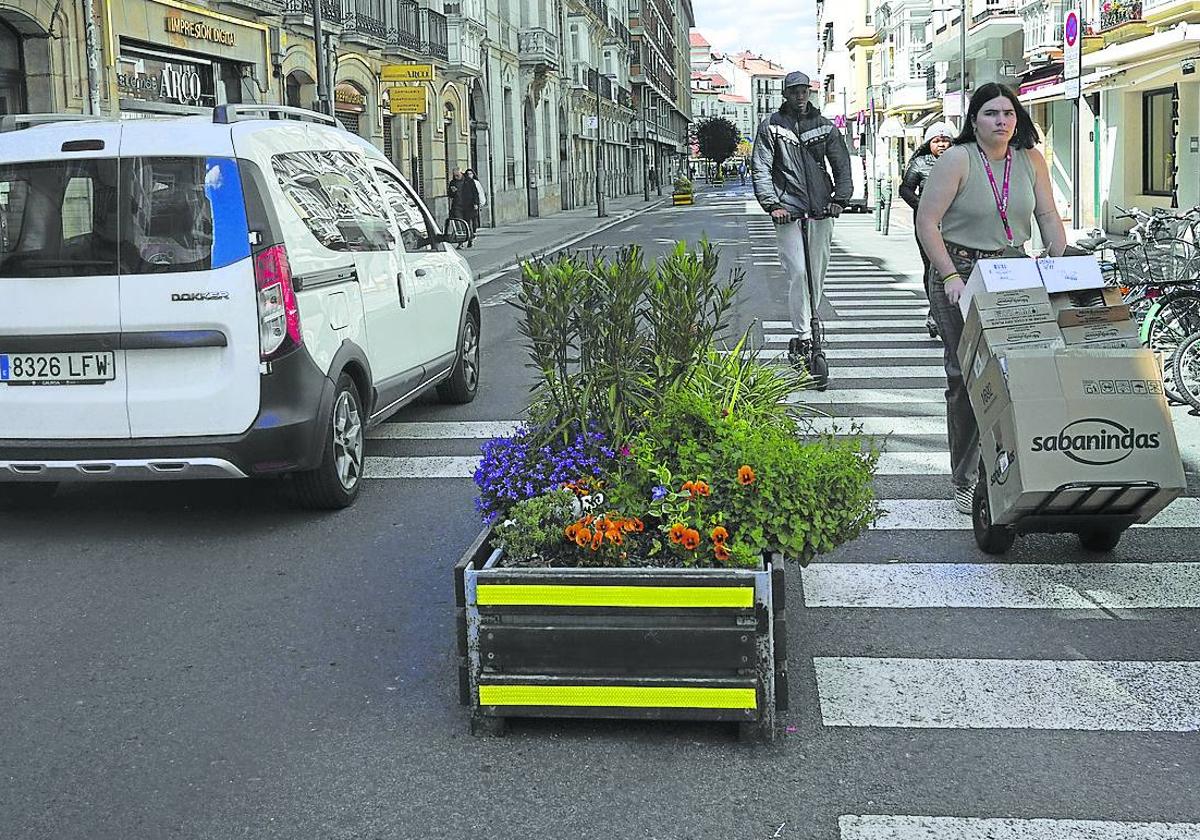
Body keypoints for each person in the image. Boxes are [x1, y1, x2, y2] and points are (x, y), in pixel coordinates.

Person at [916, 82, 1067, 514]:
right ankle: (965, 477)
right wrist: (947, 275)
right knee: (966, 375)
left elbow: (1047, 215)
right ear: (974, 120)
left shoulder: (1030, 160)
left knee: (1017, 373)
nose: (1001, 120)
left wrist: (1062, 264)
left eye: (1008, 113)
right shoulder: (957, 159)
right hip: (962, 270)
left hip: (1013, 268)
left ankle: (1015, 466)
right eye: (991, 113)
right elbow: (928, 223)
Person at [751, 69, 853, 376]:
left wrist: (840, 199)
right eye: (793, 91)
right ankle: (804, 331)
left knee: (816, 272)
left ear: (809, 92)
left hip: (821, 207)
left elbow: (841, 163)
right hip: (788, 208)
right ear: (785, 93)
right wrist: (772, 205)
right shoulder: (771, 126)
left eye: (803, 90)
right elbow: (761, 168)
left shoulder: (824, 126)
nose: (799, 95)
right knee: (797, 270)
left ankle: (811, 322)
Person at [899, 121, 955, 338]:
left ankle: (948, 311)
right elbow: (905, 189)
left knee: (953, 268)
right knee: (933, 268)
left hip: (955, 224)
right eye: (937, 141)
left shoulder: (960, 160)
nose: (942, 144)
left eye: (946, 140)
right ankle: (935, 312)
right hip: (928, 225)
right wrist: (923, 208)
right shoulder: (920, 164)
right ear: (928, 143)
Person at [447, 167, 478, 248]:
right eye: (454, 175)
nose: (456, 177)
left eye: (457, 175)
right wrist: (452, 191)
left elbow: (475, 192)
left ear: (461, 173)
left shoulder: (469, 181)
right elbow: (449, 194)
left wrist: (475, 203)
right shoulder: (453, 182)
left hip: (468, 205)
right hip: (457, 206)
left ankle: (470, 238)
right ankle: (461, 242)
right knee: (459, 222)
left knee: (467, 223)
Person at [465, 168, 486, 237]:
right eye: (467, 174)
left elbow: (479, 192)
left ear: (473, 174)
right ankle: (471, 232)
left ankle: (474, 229)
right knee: (469, 218)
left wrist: (480, 202)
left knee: (474, 217)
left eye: (470, 174)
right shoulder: (466, 182)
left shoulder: (476, 182)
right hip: (468, 204)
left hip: (475, 203)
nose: (469, 175)